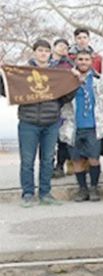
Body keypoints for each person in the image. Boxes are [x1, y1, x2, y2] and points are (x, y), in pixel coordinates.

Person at [0, 39, 78, 206]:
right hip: (28, 122)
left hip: (51, 122)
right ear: (34, 52)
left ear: (50, 53)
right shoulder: (22, 72)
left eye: (46, 51)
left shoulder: (56, 74)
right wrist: (2, 75)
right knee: (27, 161)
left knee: (48, 159)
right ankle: (28, 194)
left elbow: (65, 97)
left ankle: (45, 193)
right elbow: (7, 91)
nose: (43, 53)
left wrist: (74, 82)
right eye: (40, 50)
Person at [59, 50, 103, 202]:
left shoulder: (99, 80)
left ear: (91, 61)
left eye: (87, 59)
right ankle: (82, 189)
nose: (83, 62)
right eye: (81, 59)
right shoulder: (68, 80)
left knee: (94, 158)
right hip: (73, 125)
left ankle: (94, 187)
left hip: (93, 126)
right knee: (77, 160)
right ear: (76, 61)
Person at [51, 38, 74, 179]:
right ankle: (48, 166)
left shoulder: (69, 64)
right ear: (54, 47)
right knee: (49, 139)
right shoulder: (44, 63)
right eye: (60, 46)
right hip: (47, 103)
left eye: (65, 47)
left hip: (65, 104)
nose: (62, 49)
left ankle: (60, 165)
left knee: (63, 138)